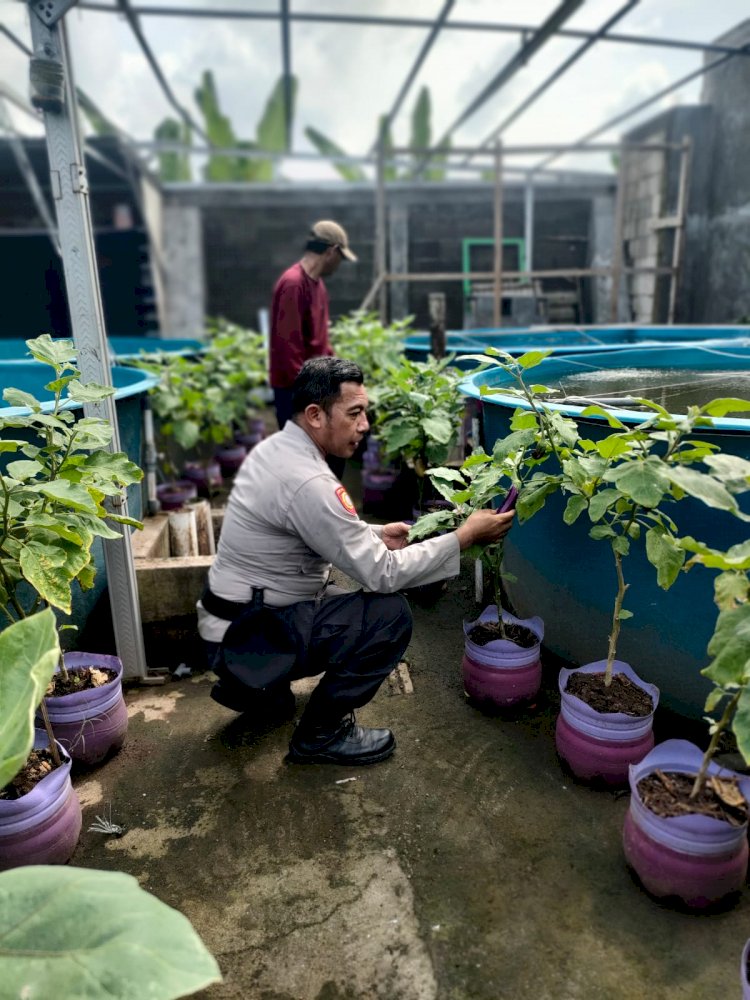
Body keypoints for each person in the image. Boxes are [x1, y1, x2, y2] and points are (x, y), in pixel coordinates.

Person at [198, 357, 515, 767]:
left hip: (228, 624)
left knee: (330, 592)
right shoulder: (311, 481)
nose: (365, 425)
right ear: (316, 415)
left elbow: (305, 527)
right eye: (354, 413)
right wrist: (464, 537)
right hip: (245, 637)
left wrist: (375, 534)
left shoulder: (278, 451)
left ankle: (261, 691)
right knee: (387, 615)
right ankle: (320, 734)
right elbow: (384, 574)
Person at [269, 219, 357, 431]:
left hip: (313, 388)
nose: (340, 264)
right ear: (331, 252)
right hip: (295, 392)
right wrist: (313, 394)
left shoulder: (318, 285)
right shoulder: (293, 284)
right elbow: (288, 351)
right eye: (340, 257)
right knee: (299, 449)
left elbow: (320, 342)